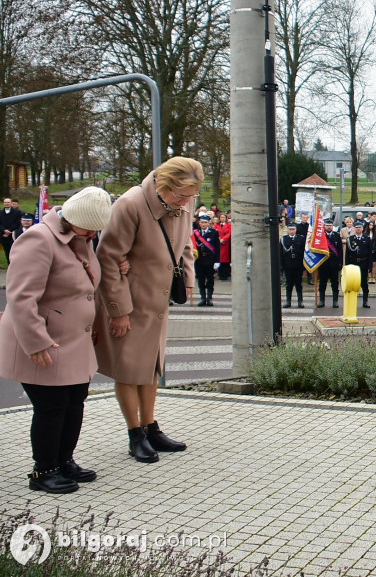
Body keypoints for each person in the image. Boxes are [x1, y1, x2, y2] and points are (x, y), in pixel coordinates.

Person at [0, 187, 112, 492]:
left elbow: (88, 284)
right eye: (88, 228)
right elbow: (21, 297)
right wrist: (36, 341)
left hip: (74, 340)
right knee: (52, 406)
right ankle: (44, 471)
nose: (91, 235)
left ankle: (64, 461)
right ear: (73, 217)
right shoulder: (38, 238)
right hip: (43, 341)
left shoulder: (81, 237)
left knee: (75, 401)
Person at [94, 157, 201, 463]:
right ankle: (134, 434)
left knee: (152, 365)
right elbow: (108, 257)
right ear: (162, 186)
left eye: (189, 197)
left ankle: (151, 426)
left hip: (158, 301)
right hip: (130, 301)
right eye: (179, 196)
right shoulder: (130, 205)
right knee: (128, 370)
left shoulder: (184, 202)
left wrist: (188, 279)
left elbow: (184, 245)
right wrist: (118, 311)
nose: (184, 203)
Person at [192, 213, 219, 306]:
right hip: (199, 260)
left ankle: (209, 298)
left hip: (210, 259)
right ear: (199, 223)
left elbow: (217, 248)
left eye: (205, 222)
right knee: (200, 280)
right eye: (202, 222)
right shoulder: (195, 233)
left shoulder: (214, 232)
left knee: (210, 280)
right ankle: (203, 298)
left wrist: (217, 261)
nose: (203, 224)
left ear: (209, 223)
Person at [317, 220, 343, 308]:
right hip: (323, 263)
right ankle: (321, 300)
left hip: (334, 264)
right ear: (324, 226)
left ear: (332, 226)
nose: (329, 227)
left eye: (330, 225)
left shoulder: (336, 235)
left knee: (335, 283)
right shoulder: (320, 236)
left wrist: (340, 263)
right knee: (322, 283)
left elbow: (340, 250)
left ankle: (335, 301)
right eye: (327, 225)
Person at [348, 221, 373, 309]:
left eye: (360, 227)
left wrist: (370, 266)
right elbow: (348, 254)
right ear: (354, 228)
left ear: (362, 228)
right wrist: (347, 266)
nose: (358, 229)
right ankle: (352, 301)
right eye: (357, 227)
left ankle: (365, 301)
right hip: (354, 264)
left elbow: (370, 253)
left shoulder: (367, 238)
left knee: (364, 283)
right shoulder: (350, 239)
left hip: (364, 263)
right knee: (353, 283)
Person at [280, 223, 305, 308]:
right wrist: (281, 266)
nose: (291, 231)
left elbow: (303, 252)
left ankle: (300, 301)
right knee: (288, 284)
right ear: (288, 230)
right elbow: (281, 253)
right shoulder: (284, 239)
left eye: (293, 229)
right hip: (288, 265)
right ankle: (288, 301)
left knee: (298, 284)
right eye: (290, 229)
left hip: (298, 265)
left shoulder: (301, 238)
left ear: (296, 230)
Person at [1, 196, 24, 261]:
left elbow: (17, 223)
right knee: (7, 252)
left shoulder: (17, 212)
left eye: (8, 202)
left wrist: (9, 231)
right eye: (5, 202)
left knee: (14, 252)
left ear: (11, 203)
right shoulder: (0, 212)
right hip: (3, 235)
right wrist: (4, 230)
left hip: (13, 235)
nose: (6, 203)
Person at [215, 212, 231, 280]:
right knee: (220, 259)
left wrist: (224, 239)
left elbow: (230, 233)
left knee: (226, 260)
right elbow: (215, 232)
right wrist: (218, 239)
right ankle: (220, 274)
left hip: (226, 244)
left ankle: (226, 274)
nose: (222, 218)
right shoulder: (216, 225)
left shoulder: (229, 225)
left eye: (224, 217)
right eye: (221, 217)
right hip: (219, 244)